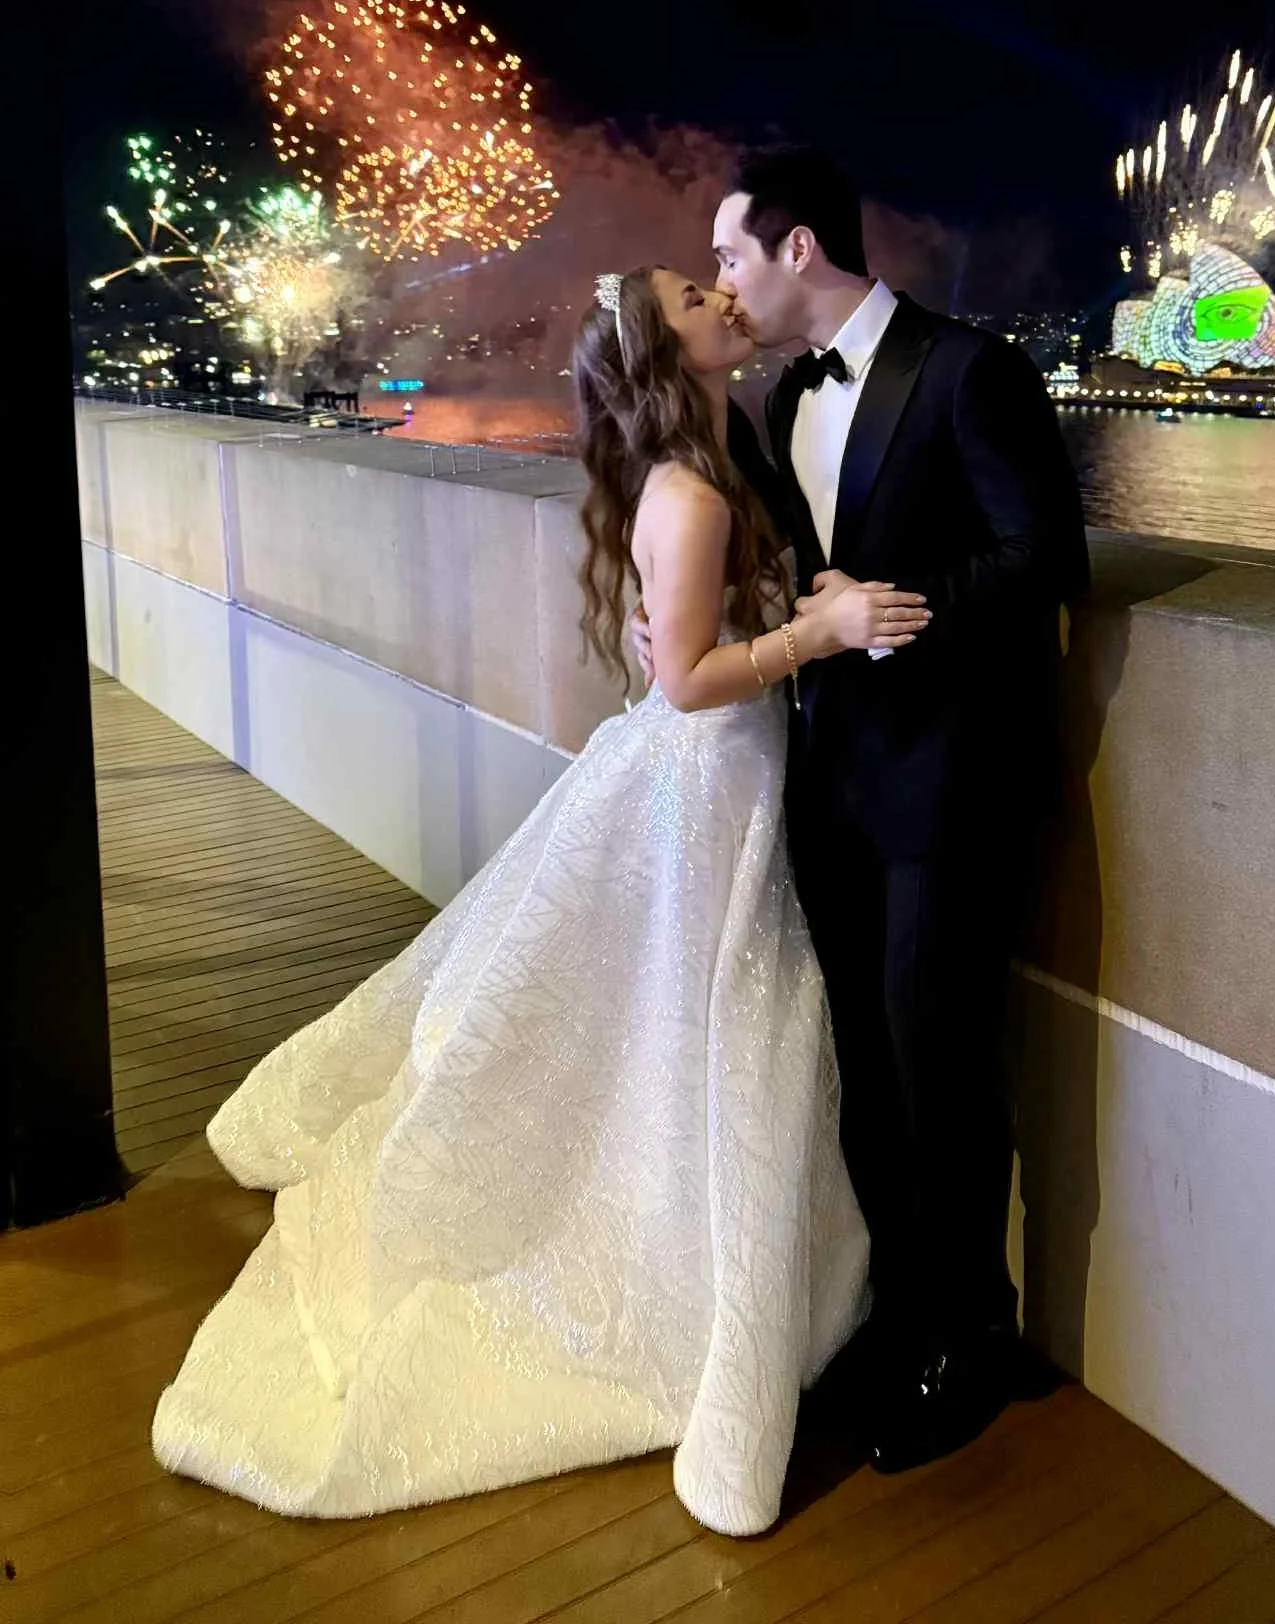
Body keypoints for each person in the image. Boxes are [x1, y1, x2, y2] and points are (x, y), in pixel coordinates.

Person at [151, 267, 932, 1538]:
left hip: (722, 782)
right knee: (711, 1024)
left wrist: (793, 607)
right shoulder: (687, 490)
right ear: (665, 348)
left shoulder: (716, 456)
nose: (720, 293)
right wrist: (825, 632)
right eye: (693, 293)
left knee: (697, 1027)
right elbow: (683, 679)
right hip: (705, 786)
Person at [640, 146, 1089, 1475]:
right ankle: (897, 1316)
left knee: (935, 1066)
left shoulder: (968, 370)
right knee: (858, 1072)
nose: (721, 279)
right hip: (829, 784)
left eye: (730, 254)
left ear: (798, 252)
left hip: (950, 786)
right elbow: (777, 584)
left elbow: (1044, 558)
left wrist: (890, 620)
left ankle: (975, 1339)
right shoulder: (777, 405)